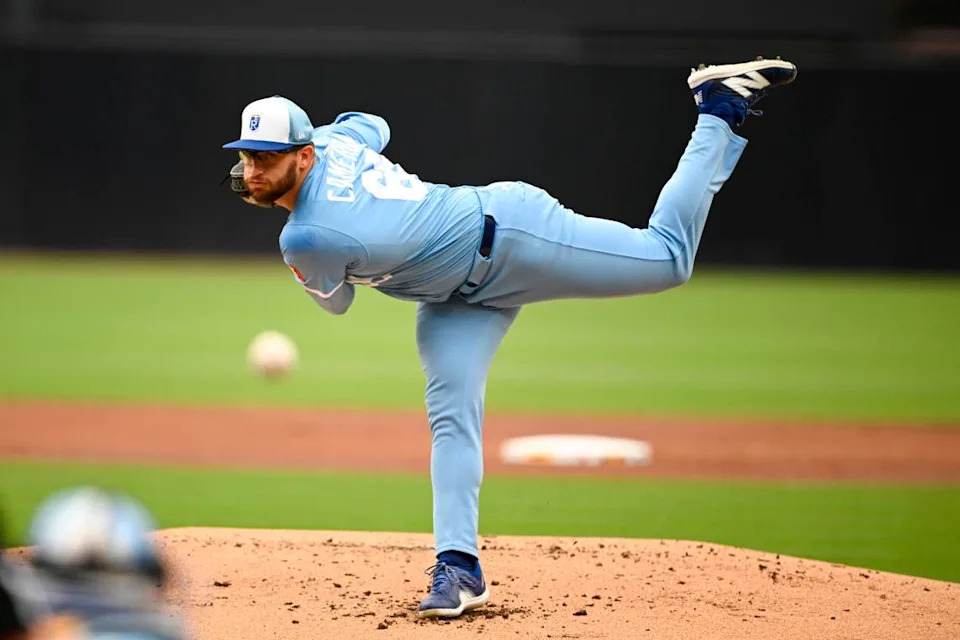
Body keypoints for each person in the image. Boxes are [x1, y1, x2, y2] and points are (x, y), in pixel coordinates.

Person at [222, 57, 797, 619]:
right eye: (247, 157)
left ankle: (719, 108)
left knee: (668, 259)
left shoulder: (306, 237)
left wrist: (304, 221)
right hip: (452, 301)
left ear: (302, 155)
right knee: (451, 417)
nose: (253, 170)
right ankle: (459, 568)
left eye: (267, 158)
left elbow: (338, 302)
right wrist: (333, 144)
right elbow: (370, 123)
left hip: (512, 237)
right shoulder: (331, 143)